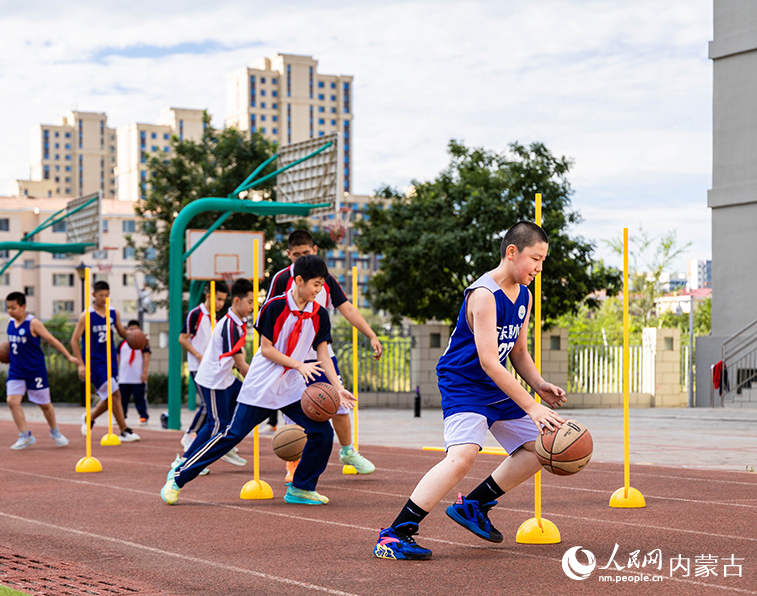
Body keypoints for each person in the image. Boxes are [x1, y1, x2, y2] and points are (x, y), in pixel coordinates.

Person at [372, 222, 567, 560]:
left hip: (496, 385)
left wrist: (539, 385)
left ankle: (474, 505)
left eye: (543, 260)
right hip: (464, 383)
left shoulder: (525, 295)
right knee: (462, 457)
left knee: (541, 448)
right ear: (511, 252)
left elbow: (518, 352)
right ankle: (395, 534)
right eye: (535, 258)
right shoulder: (484, 295)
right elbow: (491, 361)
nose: (539, 267)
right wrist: (532, 407)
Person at [162, 255, 355, 506]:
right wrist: (298, 364)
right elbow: (266, 349)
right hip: (263, 384)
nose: (319, 291)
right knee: (231, 435)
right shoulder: (274, 306)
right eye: (316, 284)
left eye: (322, 286)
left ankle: (301, 488)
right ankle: (178, 477)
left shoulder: (319, 314)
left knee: (322, 433)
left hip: (291, 388)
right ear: (299, 280)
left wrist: (338, 389)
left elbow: (323, 355)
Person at [267, 229, 382, 480]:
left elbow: (347, 308)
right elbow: (269, 316)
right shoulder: (280, 279)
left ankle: (348, 451)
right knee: (293, 414)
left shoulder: (324, 279)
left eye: (305, 253)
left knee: (338, 404)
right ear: (288, 255)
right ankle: (293, 465)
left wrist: (371, 334)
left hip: (321, 355)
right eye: (295, 255)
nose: (300, 258)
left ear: (315, 250)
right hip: (292, 359)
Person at [169, 278, 253, 474]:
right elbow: (241, 364)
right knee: (216, 422)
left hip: (226, 378)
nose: (252, 306)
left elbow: (238, 357)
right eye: (250, 302)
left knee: (242, 402)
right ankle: (184, 461)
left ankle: (226, 443)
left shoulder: (238, 321)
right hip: (213, 379)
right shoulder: (229, 324)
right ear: (237, 301)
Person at [4, 291, 78, 450]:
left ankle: (55, 431)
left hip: (35, 370)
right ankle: (25, 435)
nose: (10, 311)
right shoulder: (10, 323)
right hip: (16, 370)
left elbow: (51, 340)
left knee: (44, 405)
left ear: (23, 306)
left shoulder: (33, 323)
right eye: (8, 308)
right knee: (12, 401)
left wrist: (68, 356)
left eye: (13, 308)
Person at [69, 281, 140, 442]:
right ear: (94, 295)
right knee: (115, 394)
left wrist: (135, 336)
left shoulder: (113, 313)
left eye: (107, 295)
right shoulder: (87, 315)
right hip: (94, 362)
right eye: (101, 295)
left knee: (111, 398)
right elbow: (74, 340)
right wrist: (81, 364)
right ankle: (124, 430)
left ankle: (90, 418)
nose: (104, 298)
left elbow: (122, 332)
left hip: (111, 360)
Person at [178, 282, 227, 449]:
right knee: (207, 405)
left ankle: (209, 437)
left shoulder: (217, 319)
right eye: (218, 299)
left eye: (223, 300)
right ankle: (190, 435)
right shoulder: (196, 314)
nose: (220, 303)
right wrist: (199, 355)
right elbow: (182, 338)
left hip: (213, 368)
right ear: (208, 296)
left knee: (218, 406)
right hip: (197, 367)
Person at [118, 320, 151, 426]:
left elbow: (146, 358)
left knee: (139, 398)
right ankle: (121, 417)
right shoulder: (122, 343)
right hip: (124, 376)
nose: (133, 332)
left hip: (137, 376)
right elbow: (118, 358)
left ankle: (143, 416)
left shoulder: (143, 342)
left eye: (135, 329)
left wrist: (144, 372)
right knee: (122, 399)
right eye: (131, 329)